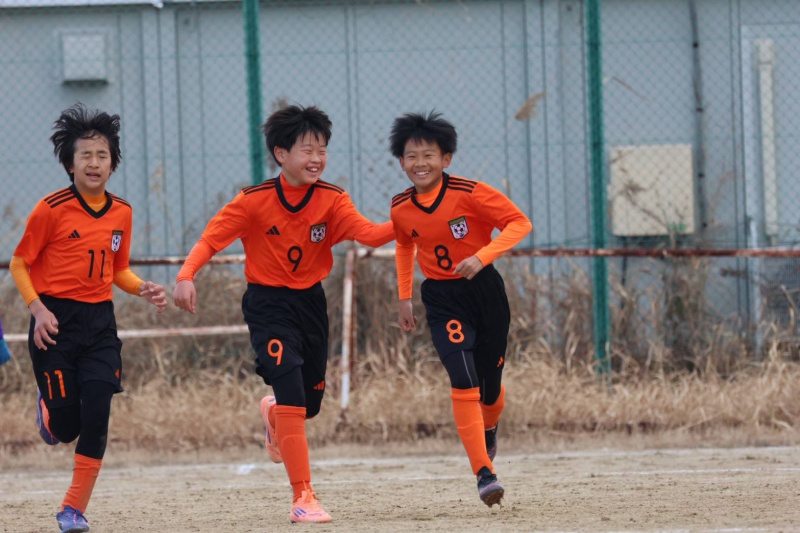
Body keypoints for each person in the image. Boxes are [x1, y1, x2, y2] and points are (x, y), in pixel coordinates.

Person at [173, 104, 394, 524]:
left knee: (308, 405)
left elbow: (369, 234)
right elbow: (210, 240)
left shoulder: (333, 199)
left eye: (322, 150)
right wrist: (186, 275)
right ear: (281, 153)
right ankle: (303, 496)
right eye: (307, 150)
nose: (317, 158)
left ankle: (274, 413)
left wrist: (408, 218)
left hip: (311, 304)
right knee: (291, 389)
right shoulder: (252, 201)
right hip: (268, 305)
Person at [10, 103, 167, 532]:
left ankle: (73, 509)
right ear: (70, 163)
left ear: (113, 163)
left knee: (98, 412)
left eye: (102, 155)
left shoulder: (122, 212)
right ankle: (48, 410)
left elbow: (119, 269)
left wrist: (142, 287)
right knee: (66, 428)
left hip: (99, 325)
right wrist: (38, 309)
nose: (94, 163)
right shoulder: (51, 209)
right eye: (86, 155)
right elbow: (20, 263)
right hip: (54, 323)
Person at [388, 111, 532, 507]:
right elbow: (404, 244)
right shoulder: (400, 207)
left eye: (428, 155)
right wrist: (404, 296)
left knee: (490, 388)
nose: (420, 163)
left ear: (446, 158)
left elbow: (519, 223)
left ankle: (490, 426)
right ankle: (484, 474)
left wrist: (482, 257)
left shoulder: (471, 192)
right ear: (401, 162)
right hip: (441, 298)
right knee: (462, 378)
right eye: (411, 156)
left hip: (485, 292)